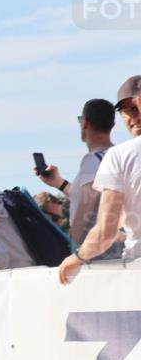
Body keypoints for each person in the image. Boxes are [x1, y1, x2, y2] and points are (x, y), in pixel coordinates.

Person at [60, 91, 141, 283]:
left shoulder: (117, 156)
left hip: (116, 261)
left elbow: (98, 223)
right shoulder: (112, 156)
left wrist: (77, 253)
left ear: (85, 123)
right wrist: (60, 183)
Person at [35, 98, 115, 246]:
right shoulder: (118, 156)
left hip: (97, 253)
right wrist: (59, 183)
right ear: (113, 125)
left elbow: (85, 215)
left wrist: (73, 249)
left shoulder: (93, 160)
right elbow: (94, 196)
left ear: (85, 123)